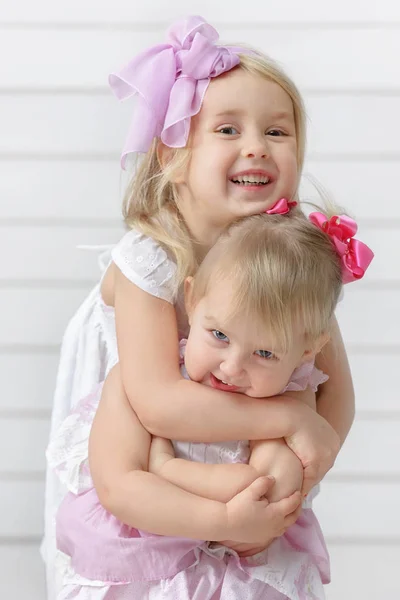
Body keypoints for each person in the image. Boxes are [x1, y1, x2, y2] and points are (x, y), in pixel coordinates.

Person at [43, 15, 363, 598]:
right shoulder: (151, 260)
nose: (255, 147)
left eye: (276, 131)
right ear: (172, 157)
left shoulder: (291, 263)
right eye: (226, 130)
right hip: (146, 463)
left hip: (238, 470)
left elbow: (333, 394)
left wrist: (292, 477)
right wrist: (291, 419)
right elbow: (161, 406)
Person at [51, 209, 373, 599]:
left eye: (265, 353)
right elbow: (118, 489)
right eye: (219, 334)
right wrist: (222, 518)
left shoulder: (290, 394)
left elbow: (264, 495)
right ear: (191, 300)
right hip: (141, 574)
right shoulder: (136, 382)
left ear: (306, 351)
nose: (233, 366)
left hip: (237, 585)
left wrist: (164, 469)